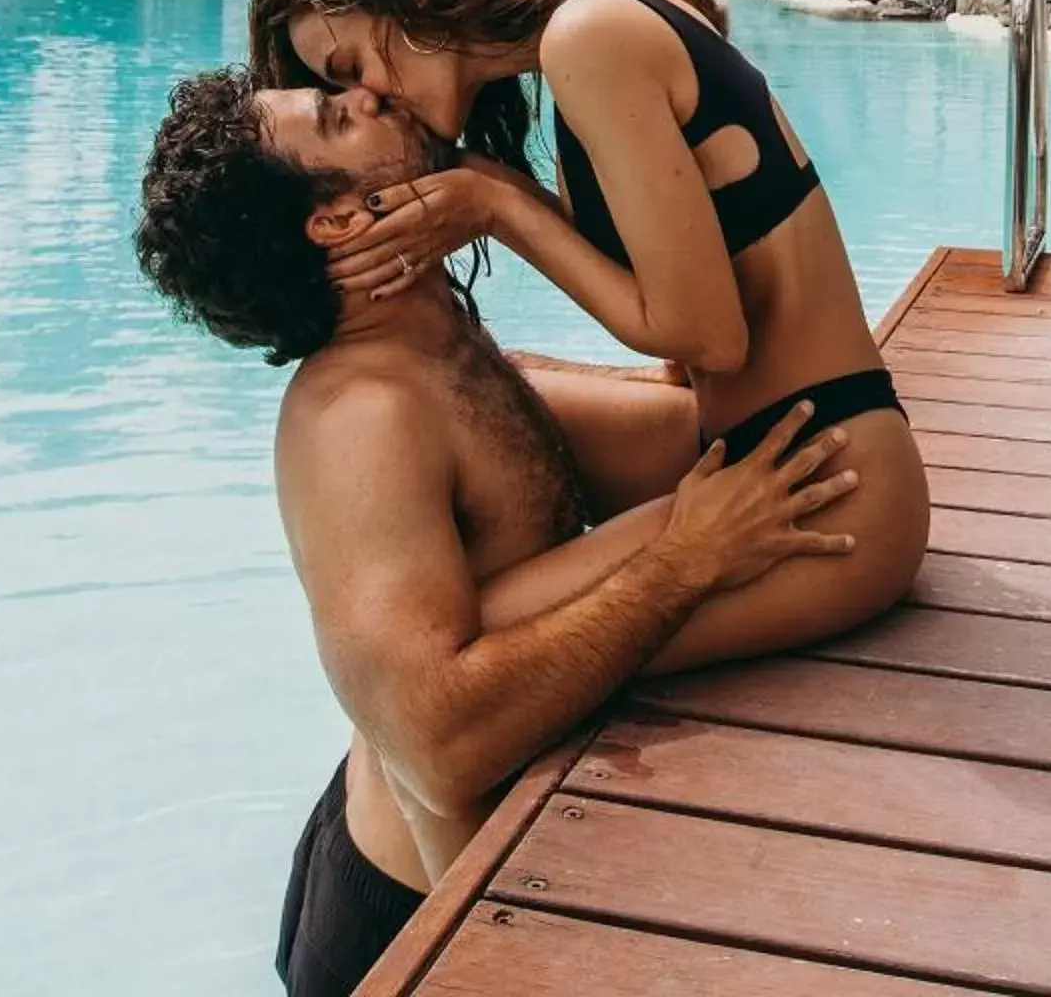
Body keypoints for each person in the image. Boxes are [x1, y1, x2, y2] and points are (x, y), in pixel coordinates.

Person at [135, 69, 867, 997]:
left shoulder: (448, 360)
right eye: (334, 116)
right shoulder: (358, 419)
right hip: (404, 938)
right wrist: (685, 560)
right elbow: (437, 745)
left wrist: (547, 212)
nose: (366, 93)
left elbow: (709, 423)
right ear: (336, 221)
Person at [249, 0, 930, 664]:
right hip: (777, 444)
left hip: (833, 490)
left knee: (471, 640)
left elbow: (710, 337)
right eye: (341, 94)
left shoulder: (589, 38)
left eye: (350, 65)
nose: (367, 94)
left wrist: (498, 208)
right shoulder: (584, 30)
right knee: (484, 420)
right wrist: (492, 192)